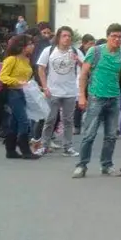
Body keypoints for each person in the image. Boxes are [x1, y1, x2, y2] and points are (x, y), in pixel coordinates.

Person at [72, 23, 121, 178]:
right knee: (89, 134)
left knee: (110, 136)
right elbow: (83, 74)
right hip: (96, 97)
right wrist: (81, 95)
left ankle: (107, 165)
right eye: (113, 36)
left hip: (114, 98)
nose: (116, 39)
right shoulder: (95, 51)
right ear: (108, 36)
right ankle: (81, 165)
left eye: (120, 37)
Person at [35, 26, 84, 157]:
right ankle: (44, 146)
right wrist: (45, 87)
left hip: (70, 91)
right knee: (50, 119)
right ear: (58, 37)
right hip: (53, 91)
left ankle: (68, 147)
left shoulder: (76, 51)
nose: (67, 38)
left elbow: (86, 69)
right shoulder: (49, 50)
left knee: (68, 121)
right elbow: (41, 69)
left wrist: (77, 60)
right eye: (64, 35)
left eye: (69, 36)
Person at [0, 34, 40, 160]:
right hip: (13, 93)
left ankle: (10, 150)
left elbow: (28, 77)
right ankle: (25, 150)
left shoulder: (26, 60)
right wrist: (17, 81)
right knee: (24, 120)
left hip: (24, 92)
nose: (33, 46)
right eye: (30, 44)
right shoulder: (11, 60)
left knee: (15, 122)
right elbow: (2, 76)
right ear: (22, 46)